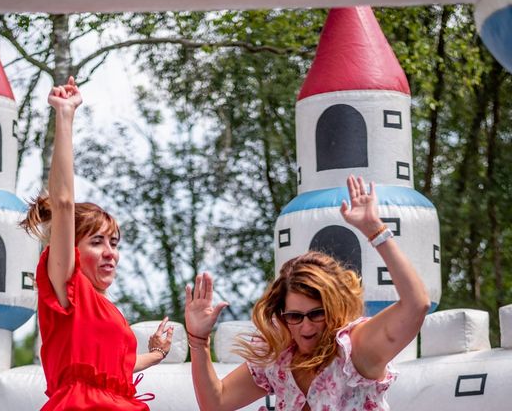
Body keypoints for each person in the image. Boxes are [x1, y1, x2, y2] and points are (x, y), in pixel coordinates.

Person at [184, 175, 430, 411]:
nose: (306, 327)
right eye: (295, 316)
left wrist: (375, 230)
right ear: (283, 315)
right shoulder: (279, 360)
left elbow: (416, 305)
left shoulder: (356, 350)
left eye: (316, 314)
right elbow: (215, 403)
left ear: (334, 308)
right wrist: (198, 340)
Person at [21, 77, 173, 410]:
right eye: (97, 241)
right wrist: (65, 115)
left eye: (115, 243)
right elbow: (62, 202)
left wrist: (157, 353)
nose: (111, 253)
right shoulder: (67, 286)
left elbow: (116, 366)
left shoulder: (108, 311)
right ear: (72, 248)